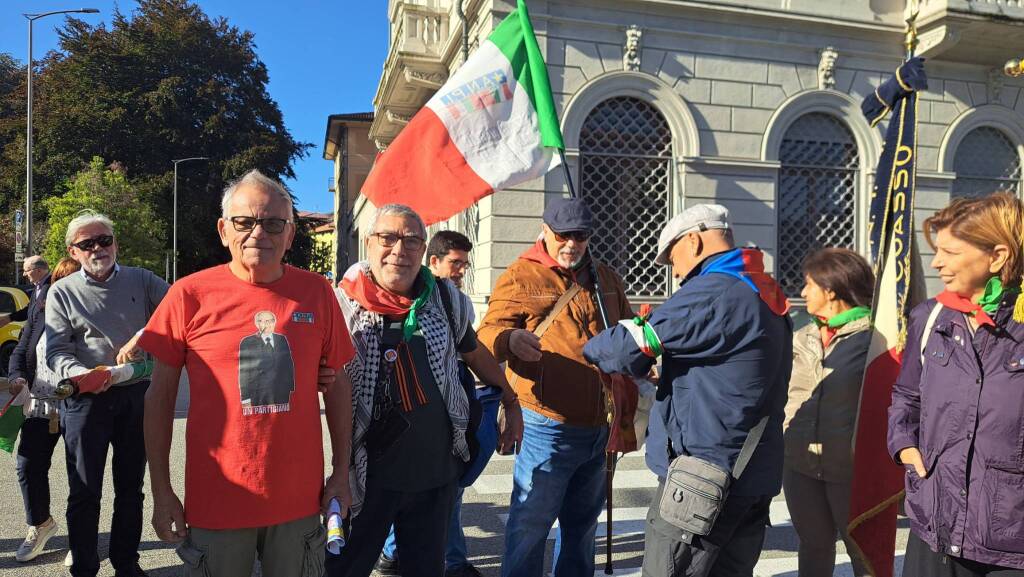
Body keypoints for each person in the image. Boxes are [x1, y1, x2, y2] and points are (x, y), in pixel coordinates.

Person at [140, 170, 352, 576]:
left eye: (274, 223)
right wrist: (162, 490)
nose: (259, 233)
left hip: (298, 502)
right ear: (224, 230)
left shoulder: (317, 293)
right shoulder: (188, 294)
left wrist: (341, 473)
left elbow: (338, 386)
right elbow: (160, 398)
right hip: (217, 501)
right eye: (244, 222)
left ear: (290, 235)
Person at [583, 204, 792, 577]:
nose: (676, 272)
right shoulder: (762, 287)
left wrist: (593, 348)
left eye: (672, 258)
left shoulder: (713, 290)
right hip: (754, 471)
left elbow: (622, 347)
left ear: (693, 241)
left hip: (705, 476)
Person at [327, 204, 522, 577]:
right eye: (388, 238)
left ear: (422, 249)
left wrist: (510, 401)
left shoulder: (447, 299)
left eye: (411, 240)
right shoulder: (340, 304)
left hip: (435, 475)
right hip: (365, 475)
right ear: (369, 244)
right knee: (342, 569)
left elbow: (474, 352)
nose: (399, 249)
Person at [476, 197, 633, 577]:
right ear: (545, 231)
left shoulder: (605, 277)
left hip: (599, 424)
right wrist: (510, 340)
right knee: (531, 524)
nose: (571, 244)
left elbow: (627, 328)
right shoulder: (521, 275)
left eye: (580, 236)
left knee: (582, 526)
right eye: (563, 235)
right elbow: (486, 332)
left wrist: (640, 357)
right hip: (547, 424)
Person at [889, 191, 1024, 576]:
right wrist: (905, 446)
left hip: (1011, 541)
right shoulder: (930, 317)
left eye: (951, 252)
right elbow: (906, 395)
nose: (937, 263)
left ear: (997, 256)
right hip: (935, 522)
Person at [46, 210, 170, 577]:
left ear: (116, 243)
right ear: (73, 252)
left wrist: (143, 336)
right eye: (88, 244)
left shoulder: (142, 280)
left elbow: (179, 310)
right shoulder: (62, 292)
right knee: (85, 491)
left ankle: (126, 564)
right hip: (86, 400)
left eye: (105, 240)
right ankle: (84, 567)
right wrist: (82, 374)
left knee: (131, 488)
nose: (99, 248)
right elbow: (56, 351)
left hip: (135, 394)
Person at [377, 229, 484, 577]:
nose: (461, 271)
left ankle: (437, 558)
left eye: (465, 265)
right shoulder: (399, 297)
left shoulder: (455, 300)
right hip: (401, 418)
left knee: (446, 494)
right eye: (455, 263)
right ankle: (402, 553)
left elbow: (469, 349)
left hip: (445, 415)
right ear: (433, 261)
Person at [783, 248, 874, 577]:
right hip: (798, 465)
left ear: (830, 288)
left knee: (863, 552)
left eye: (809, 284)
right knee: (813, 545)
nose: (803, 292)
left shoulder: (873, 339)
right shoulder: (800, 337)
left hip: (849, 470)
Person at [8, 257, 79, 563]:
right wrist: (16, 376)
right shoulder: (41, 313)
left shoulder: (92, 317)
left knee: (82, 473)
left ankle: (82, 538)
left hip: (79, 405)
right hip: (41, 405)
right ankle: (41, 524)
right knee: (28, 465)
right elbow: (21, 350)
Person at [238, 310, 296, 410]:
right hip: (258, 393)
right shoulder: (248, 342)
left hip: (282, 392)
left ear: (274, 322)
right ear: (257, 324)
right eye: (262, 321)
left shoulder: (281, 339)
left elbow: (288, 364)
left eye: (270, 321)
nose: (266, 324)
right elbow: (244, 372)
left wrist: (291, 388)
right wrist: (245, 398)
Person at [0, 255, 49, 329]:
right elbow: (30, 309)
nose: (24, 274)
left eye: (26, 271)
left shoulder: (52, 286)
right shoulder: (38, 286)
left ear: (39, 270)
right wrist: (9, 318)